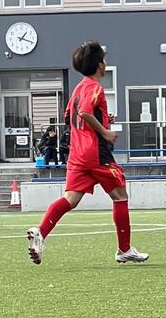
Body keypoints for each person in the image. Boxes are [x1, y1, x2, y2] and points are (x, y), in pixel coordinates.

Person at [26, 41, 148, 265]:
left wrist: (102, 119)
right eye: (104, 60)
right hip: (95, 152)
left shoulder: (78, 89)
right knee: (120, 196)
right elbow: (84, 112)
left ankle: (41, 232)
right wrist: (105, 131)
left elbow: (69, 117)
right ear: (100, 65)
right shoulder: (94, 87)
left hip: (77, 153)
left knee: (70, 199)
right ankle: (124, 250)